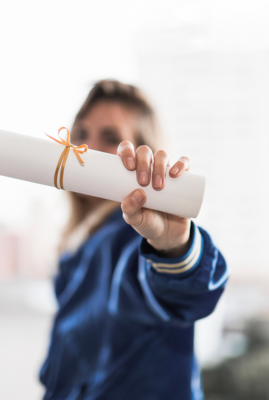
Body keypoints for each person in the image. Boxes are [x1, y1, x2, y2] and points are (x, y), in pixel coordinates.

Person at [39, 79, 229, 400]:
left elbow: (180, 290)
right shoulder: (77, 250)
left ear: (142, 158)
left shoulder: (131, 239)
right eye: (81, 134)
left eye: (111, 138)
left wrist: (173, 247)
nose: (88, 150)